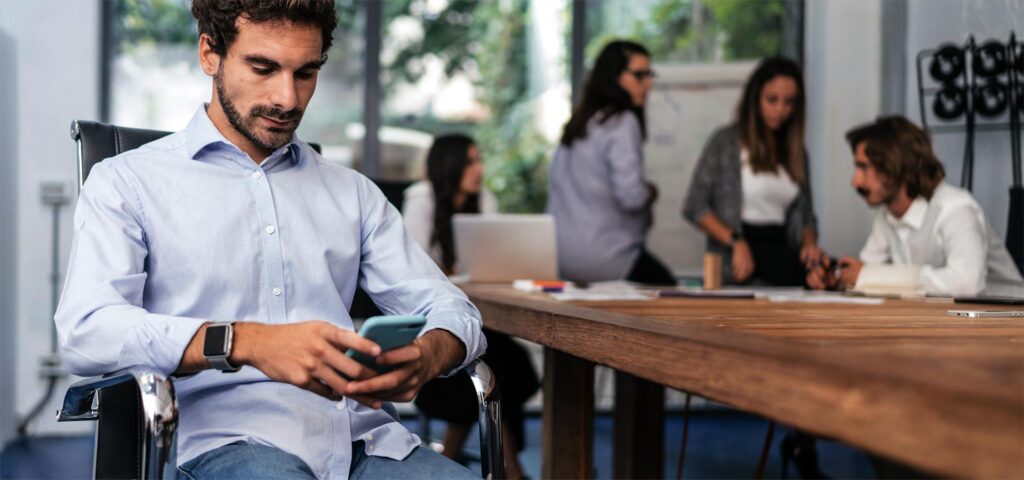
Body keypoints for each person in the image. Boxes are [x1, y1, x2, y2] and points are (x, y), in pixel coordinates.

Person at [53, 1, 486, 479]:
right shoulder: (126, 182)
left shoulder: (354, 193)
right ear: (209, 54)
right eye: (263, 68)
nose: (287, 98)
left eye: (306, 73)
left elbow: (454, 309)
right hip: (227, 444)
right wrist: (246, 341)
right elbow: (87, 330)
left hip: (365, 441)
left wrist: (429, 354)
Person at [401, 134, 540, 479]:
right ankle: (513, 469)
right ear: (450, 166)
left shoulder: (484, 200)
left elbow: (491, 260)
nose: (479, 169)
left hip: (475, 314)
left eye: (479, 160)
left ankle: (457, 455)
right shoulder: (420, 200)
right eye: (470, 161)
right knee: (492, 360)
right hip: (429, 324)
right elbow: (413, 271)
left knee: (501, 358)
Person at [807, 116, 1024, 297]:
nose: (855, 182)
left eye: (864, 167)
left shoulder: (955, 209)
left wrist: (870, 277)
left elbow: (967, 284)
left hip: (1008, 323)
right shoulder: (888, 215)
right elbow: (866, 271)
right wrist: (836, 278)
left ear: (896, 165)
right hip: (950, 323)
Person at [683, 57, 822, 286]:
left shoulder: (797, 152)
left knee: (824, 272)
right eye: (772, 100)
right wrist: (736, 241)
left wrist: (810, 245)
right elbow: (695, 205)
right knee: (819, 277)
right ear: (754, 98)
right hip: (740, 249)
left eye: (789, 102)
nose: (780, 110)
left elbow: (806, 218)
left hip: (782, 249)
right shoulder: (726, 142)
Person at [548, 40, 675, 285]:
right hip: (607, 258)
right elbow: (631, 196)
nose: (648, 84)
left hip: (561, 258)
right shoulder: (622, 121)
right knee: (671, 293)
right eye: (639, 75)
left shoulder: (580, 122)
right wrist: (650, 191)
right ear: (614, 77)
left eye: (650, 75)